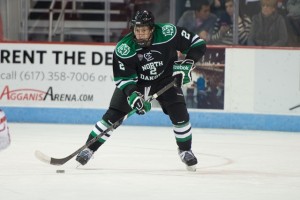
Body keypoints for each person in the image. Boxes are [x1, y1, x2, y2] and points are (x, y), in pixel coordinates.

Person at [76, 10, 206, 171]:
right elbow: (124, 79)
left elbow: (198, 43)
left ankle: (185, 150)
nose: (140, 34)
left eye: (144, 30)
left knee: (180, 115)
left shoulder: (168, 33)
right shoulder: (124, 48)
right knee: (112, 116)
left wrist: (186, 65)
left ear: (152, 29)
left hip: (165, 79)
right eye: (137, 30)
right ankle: (89, 149)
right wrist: (134, 96)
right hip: (137, 83)